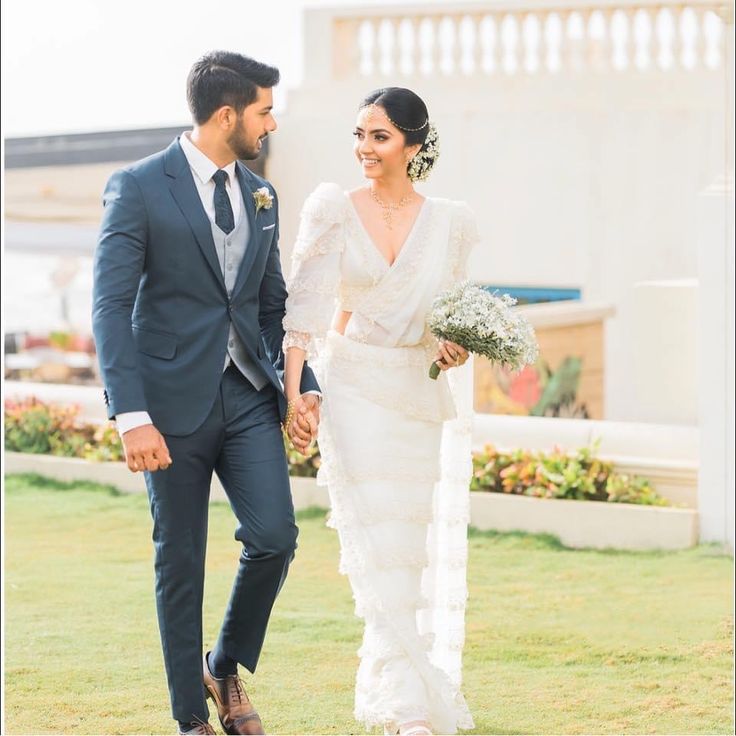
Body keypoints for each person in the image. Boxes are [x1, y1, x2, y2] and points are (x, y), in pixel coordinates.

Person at [92, 51, 320, 735]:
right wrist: (132, 416)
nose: (271, 123)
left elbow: (273, 304)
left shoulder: (263, 194)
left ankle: (223, 665)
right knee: (182, 559)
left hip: (248, 395)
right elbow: (109, 306)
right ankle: (191, 718)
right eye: (263, 110)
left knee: (275, 537)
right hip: (168, 406)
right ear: (228, 115)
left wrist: (300, 387)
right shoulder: (136, 187)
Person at [282, 87, 477, 735]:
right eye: (359, 135)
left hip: (416, 397)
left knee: (408, 548)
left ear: (413, 146)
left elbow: (448, 323)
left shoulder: (451, 223)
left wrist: (453, 349)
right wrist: (295, 394)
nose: (365, 149)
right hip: (355, 392)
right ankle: (407, 707)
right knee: (376, 544)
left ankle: (400, 697)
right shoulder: (334, 208)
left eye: (380, 137)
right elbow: (304, 315)